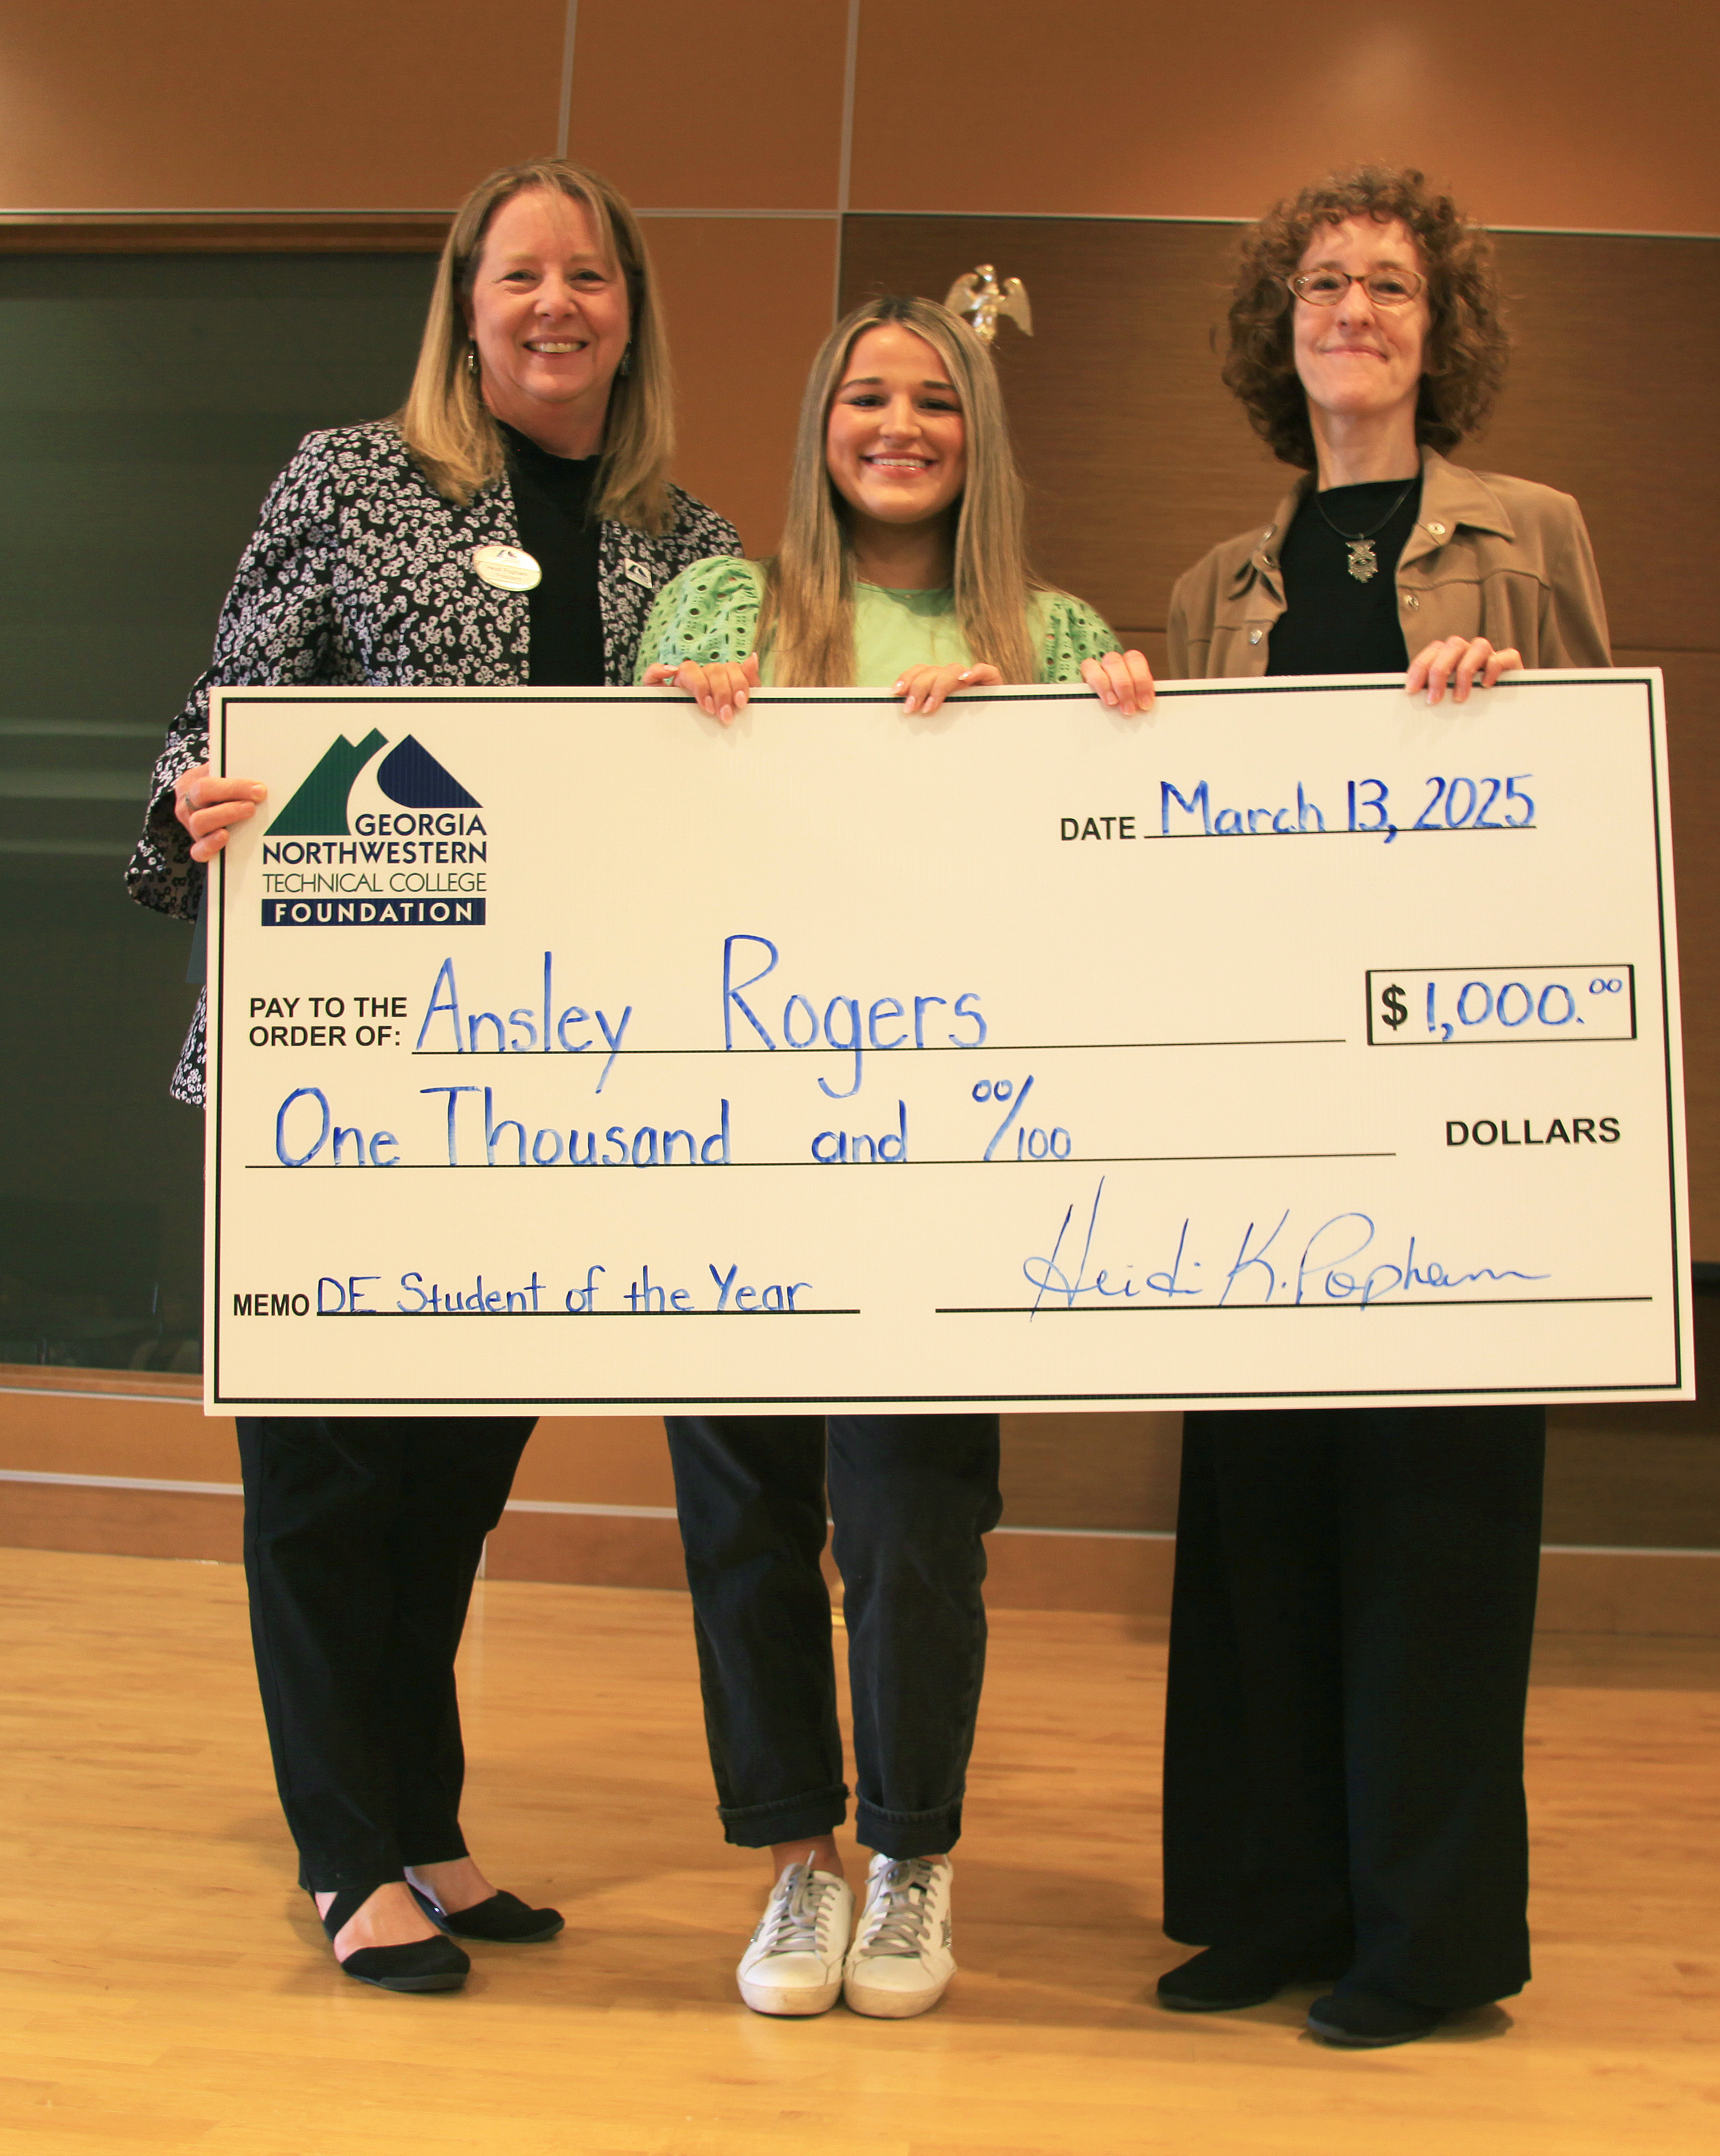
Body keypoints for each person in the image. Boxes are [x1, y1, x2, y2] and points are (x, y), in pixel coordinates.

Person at [126, 158, 740, 1995]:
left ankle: (425, 1819)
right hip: (340, 1074)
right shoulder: (346, 479)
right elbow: (221, 710)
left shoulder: (687, 546)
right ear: (466, 309)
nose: (557, 305)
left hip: (549, 1085)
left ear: (631, 312)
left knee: (457, 1479)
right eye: (519, 276)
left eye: (591, 278)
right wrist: (192, 801)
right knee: (330, 1477)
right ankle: (347, 1853)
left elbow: (722, 815)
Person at [637, 294, 1153, 2020]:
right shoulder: (724, 600)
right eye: (867, 395)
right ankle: (798, 1864)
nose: (899, 424)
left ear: (975, 436)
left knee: (916, 1520)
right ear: (821, 423)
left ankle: (915, 1856)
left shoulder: (1050, 619)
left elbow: (1124, 867)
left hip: (953, 1151)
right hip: (731, 1134)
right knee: (744, 1513)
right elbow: (626, 829)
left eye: (934, 400)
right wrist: (667, 717)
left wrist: (1102, 725)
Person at [1157, 166, 1611, 2049]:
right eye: (1323, 284)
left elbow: (1599, 788)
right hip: (1263, 1112)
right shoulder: (1212, 587)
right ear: (1281, 329)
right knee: (1257, 1510)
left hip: (1454, 1107)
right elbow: (1153, 864)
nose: (1352, 308)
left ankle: (1420, 1942)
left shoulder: (1527, 533)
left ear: (1442, 332)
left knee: (1429, 1522)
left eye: (1390, 287)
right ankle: (1268, 1908)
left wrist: (1499, 708)